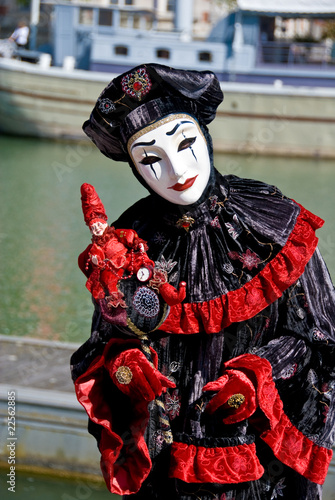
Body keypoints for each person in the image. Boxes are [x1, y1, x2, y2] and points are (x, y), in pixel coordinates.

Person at [71, 63, 335, 500]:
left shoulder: (270, 223)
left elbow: (322, 337)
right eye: (151, 159)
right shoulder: (129, 240)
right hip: (168, 469)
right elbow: (103, 346)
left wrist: (262, 373)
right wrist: (126, 367)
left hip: (259, 466)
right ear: (135, 168)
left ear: (205, 135)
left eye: (186, 142)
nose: (177, 170)